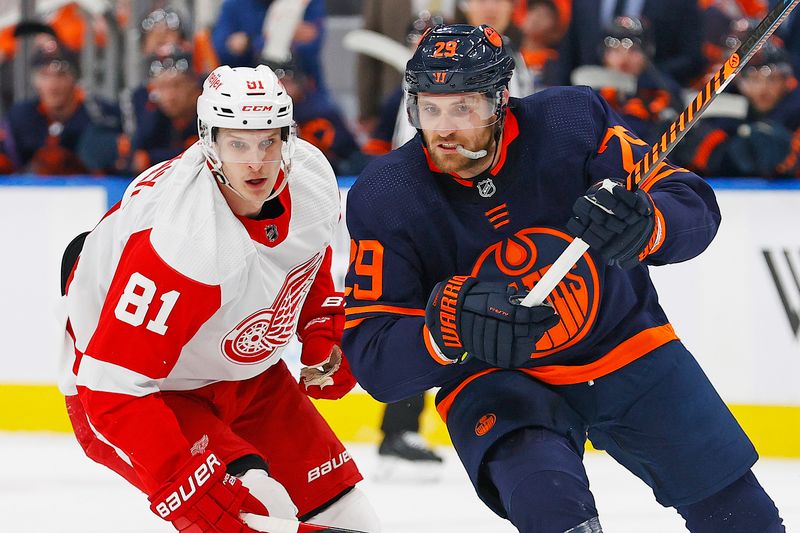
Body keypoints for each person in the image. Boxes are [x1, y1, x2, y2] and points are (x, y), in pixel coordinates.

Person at [342, 23, 786, 532]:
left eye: (463, 107)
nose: (443, 129)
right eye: (429, 108)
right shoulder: (388, 192)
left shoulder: (571, 121)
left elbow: (693, 206)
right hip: (499, 379)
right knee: (553, 511)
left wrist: (648, 224)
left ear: (500, 99)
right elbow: (374, 358)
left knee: (744, 518)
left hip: (628, 346)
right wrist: (447, 325)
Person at [57, 64, 381, 533]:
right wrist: (180, 483)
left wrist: (321, 329)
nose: (256, 162)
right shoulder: (184, 240)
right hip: (150, 393)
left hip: (248, 376)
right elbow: (112, 389)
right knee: (260, 510)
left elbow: (305, 260)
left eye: (268, 141)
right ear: (209, 144)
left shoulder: (311, 178)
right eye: (238, 143)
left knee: (349, 516)